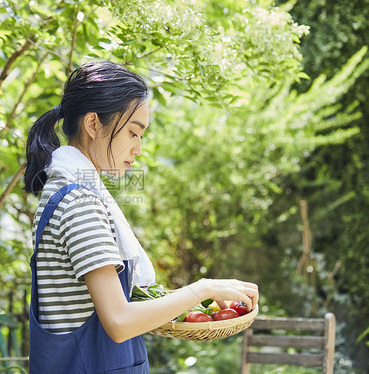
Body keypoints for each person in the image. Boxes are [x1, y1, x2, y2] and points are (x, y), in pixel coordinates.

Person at [24, 60, 259, 373]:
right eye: (133, 133)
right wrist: (202, 289)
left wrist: (204, 292)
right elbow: (119, 321)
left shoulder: (64, 189)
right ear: (93, 124)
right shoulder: (80, 202)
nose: (138, 149)